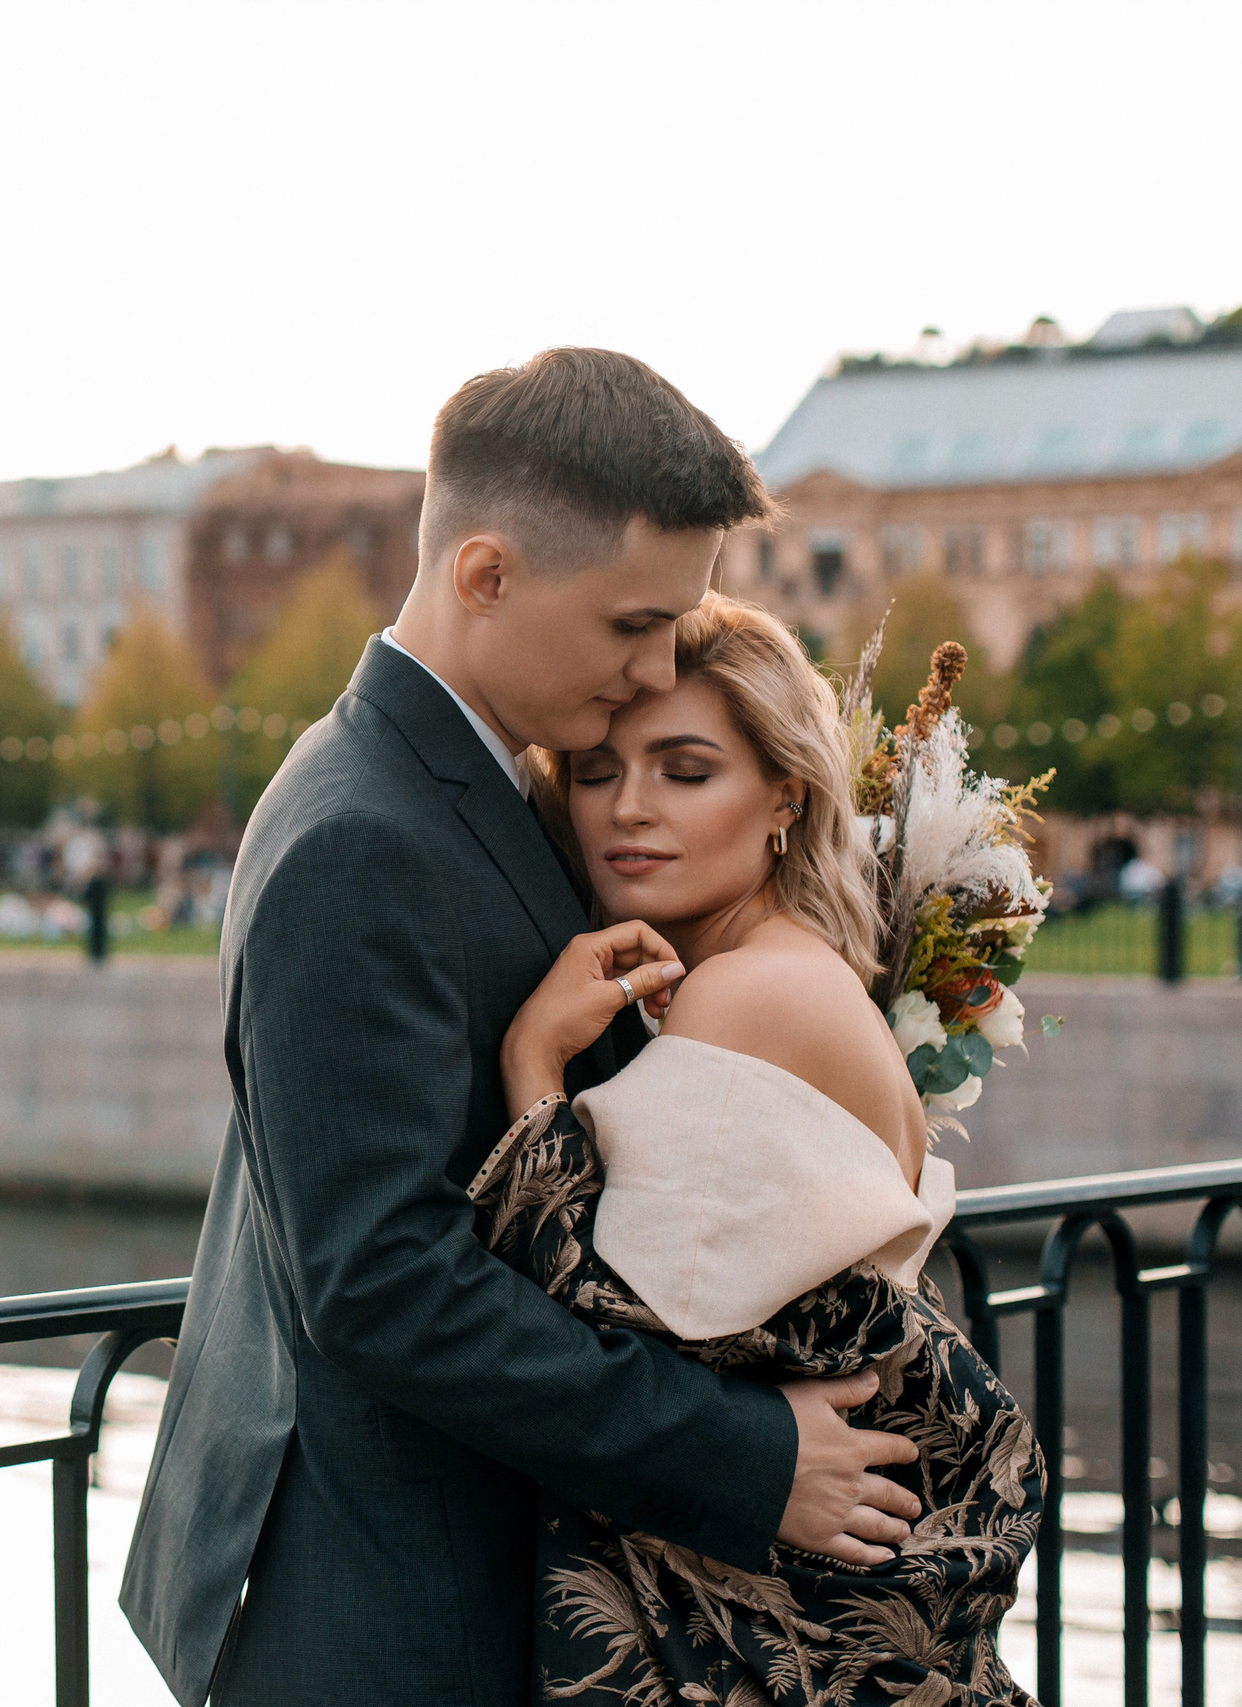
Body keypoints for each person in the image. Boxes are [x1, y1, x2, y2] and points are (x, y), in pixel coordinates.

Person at [121, 349, 922, 1706]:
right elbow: (381, 1281)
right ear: (485, 575)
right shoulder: (363, 834)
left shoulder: (479, 793)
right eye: (633, 623)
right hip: (395, 1610)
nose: (661, 661)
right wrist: (744, 1452)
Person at [473, 593, 1037, 1702]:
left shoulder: (747, 995)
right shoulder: (791, 970)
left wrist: (533, 1065)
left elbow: (590, 1323)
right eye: (595, 773)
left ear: (784, 793)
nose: (627, 809)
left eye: (685, 771)